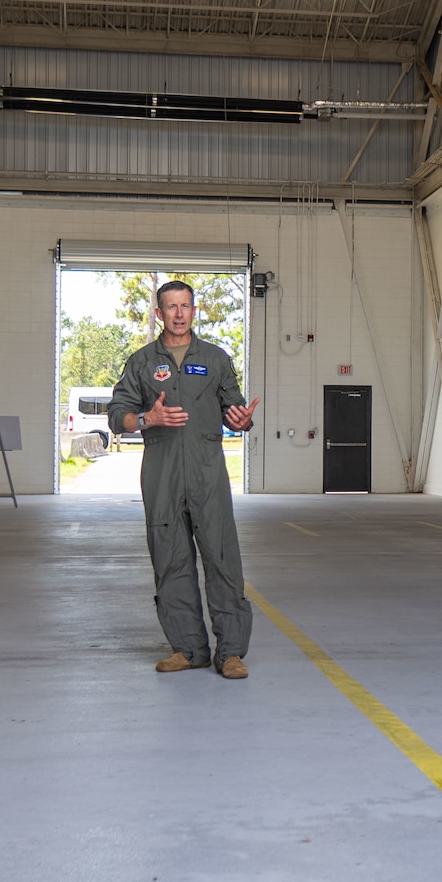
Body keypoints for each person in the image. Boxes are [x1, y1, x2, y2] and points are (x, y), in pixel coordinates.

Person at [110, 280, 262, 679]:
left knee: (222, 559)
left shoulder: (214, 358)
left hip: (207, 477)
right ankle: (189, 649)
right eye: (171, 307)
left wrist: (244, 420)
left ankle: (229, 652)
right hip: (161, 478)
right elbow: (118, 415)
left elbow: (236, 409)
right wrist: (148, 418)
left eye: (185, 306)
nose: (179, 314)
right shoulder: (142, 362)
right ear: (159, 313)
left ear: (194, 310)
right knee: (171, 561)